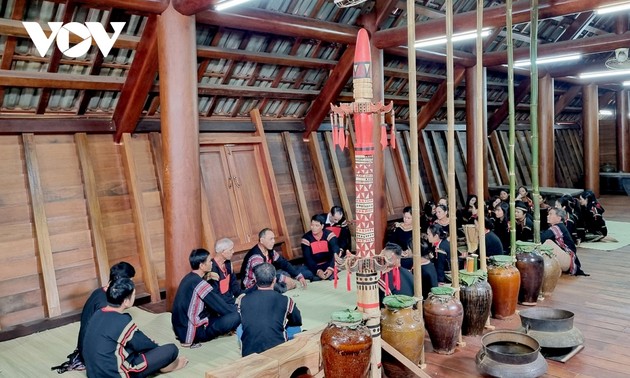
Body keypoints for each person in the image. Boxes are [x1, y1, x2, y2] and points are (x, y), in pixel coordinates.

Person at [83, 278, 187, 377]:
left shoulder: (98, 313)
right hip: (117, 374)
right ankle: (167, 366)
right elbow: (144, 344)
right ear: (126, 301)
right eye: (133, 294)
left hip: (93, 373)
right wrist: (161, 357)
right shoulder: (122, 321)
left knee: (132, 345)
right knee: (171, 349)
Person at [52, 262, 136, 373]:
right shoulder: (107, 303)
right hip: (92, 352)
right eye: (130, 280)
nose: (132, 284)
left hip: (86, 345)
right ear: (121, 281)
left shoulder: (99, 292)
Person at [171, 248, 241, 348]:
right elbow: (221, 307)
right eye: (209, 261)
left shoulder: (188, 278)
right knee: (235, 317)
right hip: (194, 332)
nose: (212, 263)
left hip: (181, 329)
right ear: (202, 265)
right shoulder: (201, 284)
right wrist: (238, 309)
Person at [239, 263, 302, 357]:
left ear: (255, 280)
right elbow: (297, 320)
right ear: (274, 280)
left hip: (249, 354)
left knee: (240, 328)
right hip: (278, 351)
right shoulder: (286, 300)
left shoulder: (243, 300)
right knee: (296, 328)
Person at [240, 228, 309, 291]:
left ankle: (284, 285)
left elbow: (284, 263)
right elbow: (263, 276)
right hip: (253, 285)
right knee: (278, 283)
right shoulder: (256, 256)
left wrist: (298, 276)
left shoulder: (270, 251)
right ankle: (285, 288)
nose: (273, 241)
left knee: (285, 273)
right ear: (262, 240)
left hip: (267, 278)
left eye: (273, 239)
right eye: (270, 239)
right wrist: (284, 279)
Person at [541, 208, 588, 276]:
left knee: (548, 243)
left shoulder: (557, 227)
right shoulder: (559, 226)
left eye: (551, 214)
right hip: (568, 259)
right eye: (548, 214)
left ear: (559, 218)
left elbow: (542, 238)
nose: (548, 216)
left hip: (569, 261)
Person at [301, 214, 339, 281]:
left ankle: (329, 272)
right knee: (303, 272)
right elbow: (308, 258)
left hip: (328, 263)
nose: (313, 227)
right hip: (313, 265)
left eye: (317, 225)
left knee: (337, 263)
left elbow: (335, 250)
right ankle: (319, 275)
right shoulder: (306, 238)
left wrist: (330, 268)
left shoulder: (329, 235)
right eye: (312, 225)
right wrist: (318, 271)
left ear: (322, 226)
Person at [377, 243, 414, 307]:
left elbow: (379, 303)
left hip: (394, 313)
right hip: (411, 311)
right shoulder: (409, 273)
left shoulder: (384, 279)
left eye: (384, 257)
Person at [209, 238, 242, 306]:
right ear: (223, 252)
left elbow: (234, 283)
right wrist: (234, 301)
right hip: (221, 303)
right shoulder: (212, 269)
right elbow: (216, 294)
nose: (233, 252)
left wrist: (240, 295)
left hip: (230, 297)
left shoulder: (228, 263)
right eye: (230, 249)